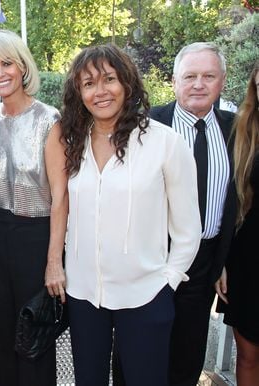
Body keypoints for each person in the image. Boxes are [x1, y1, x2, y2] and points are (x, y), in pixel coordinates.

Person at [61, 44, 201, 386]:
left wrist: (166, 282)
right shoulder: (70, 143)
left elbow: (187, 229)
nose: (100, 91)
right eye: (89, 83)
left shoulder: (165, 143)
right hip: (83, 295)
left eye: (109, 79)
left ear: (127, 83)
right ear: (78, 93)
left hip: (146, 296)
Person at [0, 29, 68, 386]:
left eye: (7, 63)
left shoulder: (48, 119)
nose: (0, 73)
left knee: (33, 337)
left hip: (36, 236)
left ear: (22, 65)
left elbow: (61, 196)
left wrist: (54, 261)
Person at [148, 42, 237, 386]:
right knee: (140, 349)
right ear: (174, 81)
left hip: (205, 262)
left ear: (222, 82)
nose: (199, 84)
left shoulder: (237, 129)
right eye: (190, 76)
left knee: (188, 353)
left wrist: (225, 258)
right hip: (153, 257)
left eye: (208, 76)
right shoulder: (148, 124)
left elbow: (240, 201)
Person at [215, 60, 259, 385]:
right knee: (247, 356)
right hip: (249, 259)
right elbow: (229, 201)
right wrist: (223, 260)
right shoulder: (242, 130)